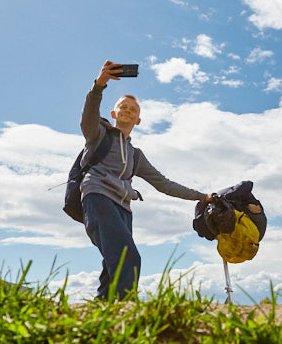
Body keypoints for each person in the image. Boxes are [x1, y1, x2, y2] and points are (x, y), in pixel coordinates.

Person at [79, 60, 210, 300]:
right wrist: (99, 86)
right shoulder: (98, 134)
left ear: (138, 120)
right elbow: (88, 116)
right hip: (97, 196)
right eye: (123, 107)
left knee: (113, 264)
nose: (128, 111)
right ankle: (126, 312)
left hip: (123, 208)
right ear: (113, 113)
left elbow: (164, 184)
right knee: (128, 256)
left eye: (133, 110)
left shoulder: (135, 156)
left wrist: (202, 196)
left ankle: (101, 310)